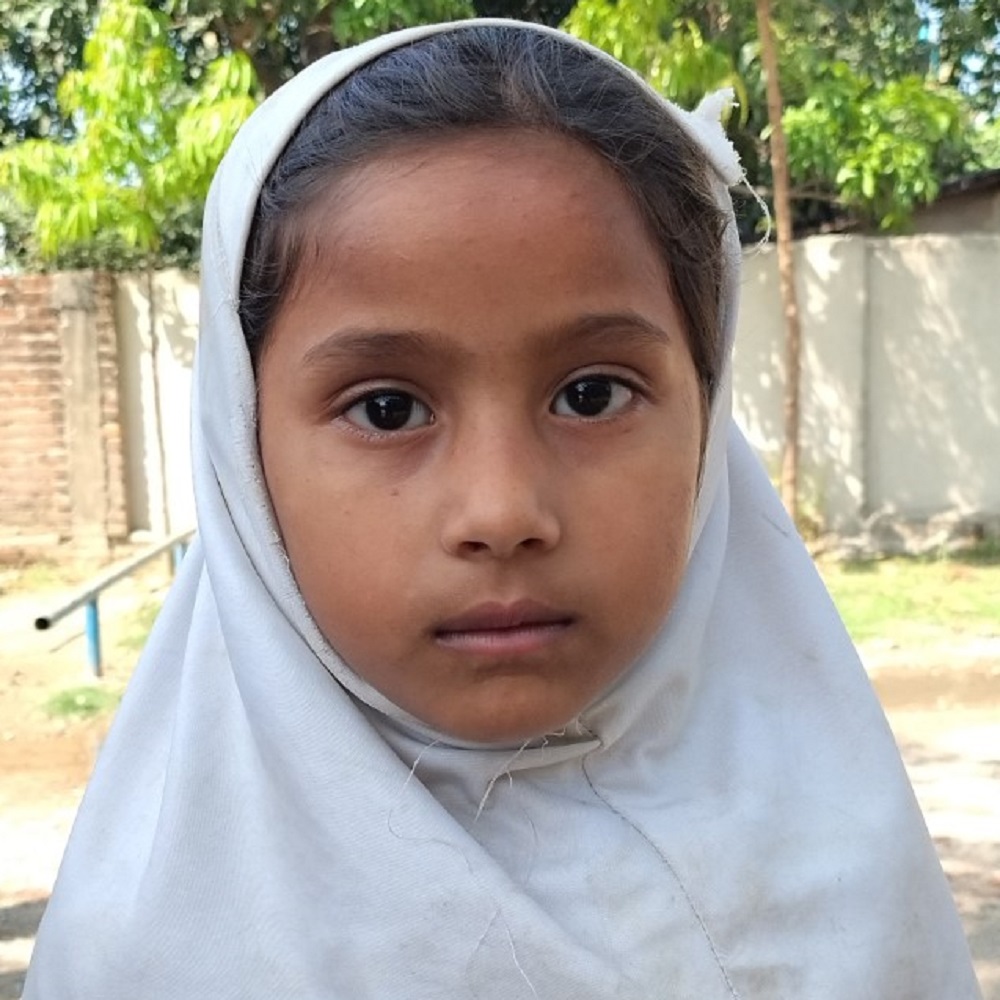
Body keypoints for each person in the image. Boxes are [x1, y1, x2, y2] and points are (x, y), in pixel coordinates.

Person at [25, 20, 981, 999]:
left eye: (591, 395)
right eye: (387, 409)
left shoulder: (848, 874)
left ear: (706, 414)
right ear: (243, 447)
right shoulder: (149, 954)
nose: (502, 509)